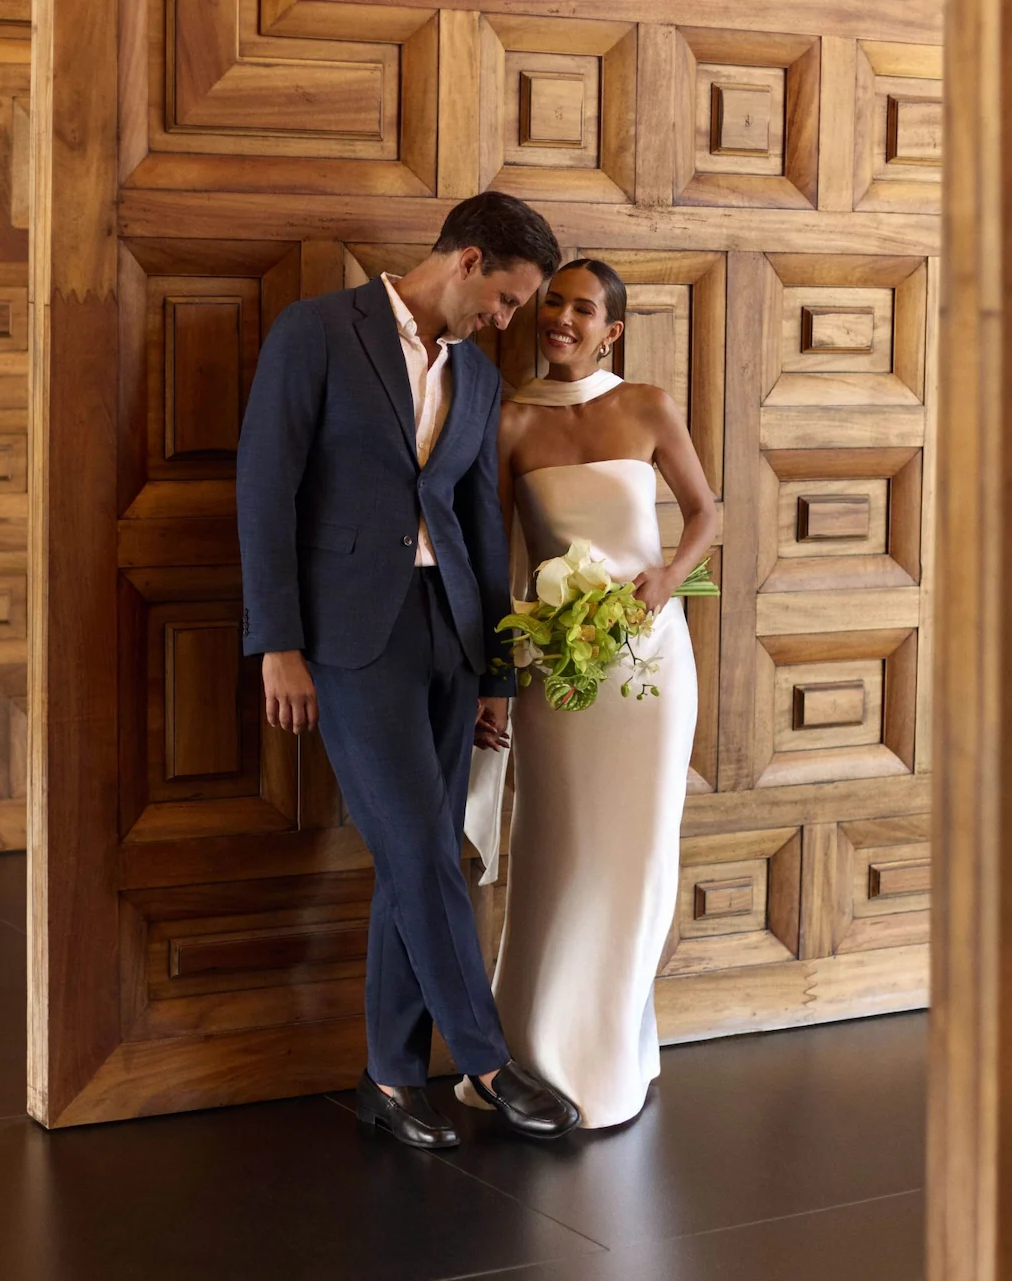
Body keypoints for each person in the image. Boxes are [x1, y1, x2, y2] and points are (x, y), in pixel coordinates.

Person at [237, 192, 581, 1150]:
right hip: (348, 642)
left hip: (450, 634)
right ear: (467, 261)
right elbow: (264, 486)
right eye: (507, 300)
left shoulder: (473, 377)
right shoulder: (317, 332)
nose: (510, 323)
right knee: (422, 847)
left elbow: (482, 523)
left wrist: (496, 676)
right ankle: (483, 1057)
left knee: (415, 856)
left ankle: (390, 1079)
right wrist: (279, 641)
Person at [461, 258, 720, 1128]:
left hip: (648, 666)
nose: (562, 318)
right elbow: (500, 561)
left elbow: (707, 512)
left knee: (637, 854)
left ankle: (610, 1055)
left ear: (612, 328)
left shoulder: (646, 403)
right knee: (558, 850)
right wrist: (495, 684)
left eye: (583, 309)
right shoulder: (510, 419)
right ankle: (534, 1052)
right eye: (553, 303)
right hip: (554, 674)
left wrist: (668, 577)